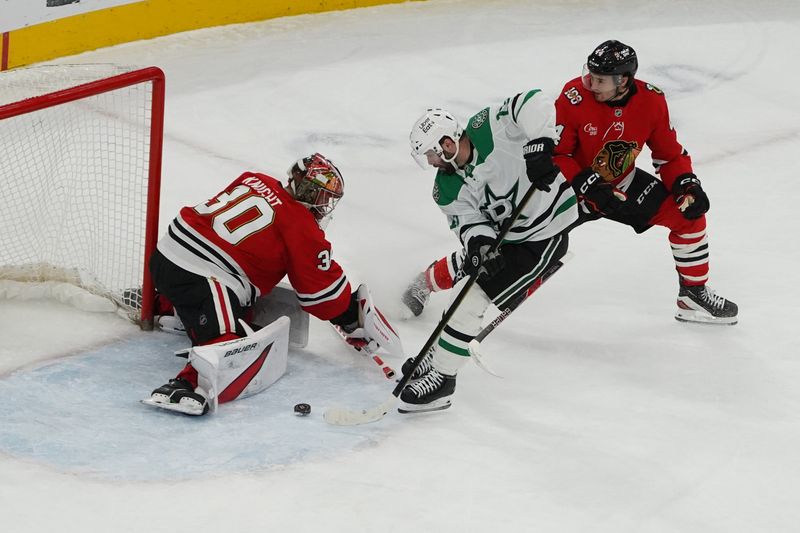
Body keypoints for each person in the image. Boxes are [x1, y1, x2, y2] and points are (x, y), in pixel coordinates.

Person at [402, 40, 737, 326]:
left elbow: (668, 153)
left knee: (689, 216)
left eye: (600, 80)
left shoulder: (651, 101)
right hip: (563, 190)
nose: (590, 83)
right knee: (496, 250)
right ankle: (427, 281)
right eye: (590, 74)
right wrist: (584, 183)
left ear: (623, 81)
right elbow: (557, 152)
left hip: (618, 186)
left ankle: (692, 293)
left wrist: (685, 182)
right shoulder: (574, 97)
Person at [146, 153, 387, 415]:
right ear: (306, 190)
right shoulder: (300, 225)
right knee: (229, 343)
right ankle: (188, 385)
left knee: (238, 302)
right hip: (204, 277)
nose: (324, 205)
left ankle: (167, 305)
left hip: (165, 256)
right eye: (322, 197)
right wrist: (349, 314)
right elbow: (321, 294)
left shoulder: (254, 179)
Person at [400, 92, 579, 413]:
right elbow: (468, 222)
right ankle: (438, 354)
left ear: (447, 144)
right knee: (466, 279)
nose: (430, 162)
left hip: (545, 232)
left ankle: (442, 379)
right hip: (506, 238)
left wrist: (540, 143)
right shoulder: (445, 188)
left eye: (430, 154)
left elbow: (534, 101)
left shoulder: (488, 127)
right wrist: (479, 244)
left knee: (471, 298)